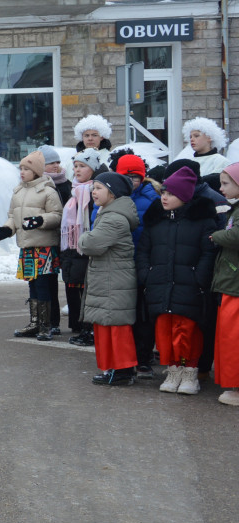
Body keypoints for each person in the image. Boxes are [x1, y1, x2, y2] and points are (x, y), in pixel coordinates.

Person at [137, 166, 217, 395]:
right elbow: (143, 251)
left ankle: (189, 372)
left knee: (188, 331)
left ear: (184, 196)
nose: (164, 197)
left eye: (171, 194)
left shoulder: (202, 222)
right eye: (163, 192)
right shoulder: (156, 221)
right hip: (160, 285)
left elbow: (208, 253)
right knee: (164, 331)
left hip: (190, 287)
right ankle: (173, 371)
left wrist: (199, 278)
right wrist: (146, 274)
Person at [0, 151, 64, 341]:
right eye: (21, 168)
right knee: (32, 285)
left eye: (26, 169)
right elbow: (13, 216)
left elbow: (57, 216)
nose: (22, 172)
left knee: (43, 286)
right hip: (27, 246)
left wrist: (40, 220)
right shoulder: (18, 191)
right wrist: (7, 229)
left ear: (37, 172)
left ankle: (46, 325)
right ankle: (34, 322)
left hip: (44, 247)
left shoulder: (48, 191)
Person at [78, 172, 140, 386]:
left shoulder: (114, 218)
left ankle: (123, 371)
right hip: (108, 279)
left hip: (114, 281)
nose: (93, 192)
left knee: (116, 326)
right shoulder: (107, 213)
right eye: (93, 188)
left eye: (99, 188)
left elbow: (90, 244)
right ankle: (112, 369)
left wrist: (83, 237)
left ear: (113, 193)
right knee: (105, 324)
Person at [115, 153, 160, 377]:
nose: (132, 181)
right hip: (120, 263)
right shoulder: (112, 197)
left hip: (144, 261)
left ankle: (143, 356)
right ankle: (126, 356)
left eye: (136, 177)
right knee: (124, 312)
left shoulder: (152, 198)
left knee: (143, 312)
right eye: (127, 176)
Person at [61, 149, 101, 343]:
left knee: (87, 289)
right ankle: (79, 325)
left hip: (87, 247)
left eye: (83, 166)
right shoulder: (74, 191)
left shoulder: (94, 192)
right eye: (75, 166)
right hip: (72, 248)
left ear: (93, 169)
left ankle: (89, 327)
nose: (77, 170)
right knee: (74, 285)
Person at [211, 162, 239, 406]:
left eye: (226, 183)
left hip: (235, 284)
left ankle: (236, 389)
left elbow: (235, 236)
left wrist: (216, 235)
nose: (221, 188)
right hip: (231, 282)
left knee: (233, 338)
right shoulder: (235, 208)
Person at [182, 117, 229, 189]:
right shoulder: (188, 162)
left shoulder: (220, 161)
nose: (192, 139)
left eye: (196, 136)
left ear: (209, 137)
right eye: (190, 137)